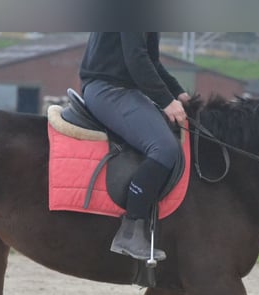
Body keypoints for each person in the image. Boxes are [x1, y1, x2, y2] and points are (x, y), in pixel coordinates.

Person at [79, 32, 191, 262]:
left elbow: (150, 61)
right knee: (165, 148)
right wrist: (166, 101)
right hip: (110, 89)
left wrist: (179, 92)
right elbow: (136, 58)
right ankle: (130, 231)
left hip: (121, 88)